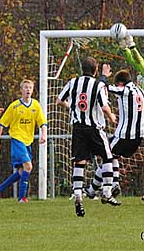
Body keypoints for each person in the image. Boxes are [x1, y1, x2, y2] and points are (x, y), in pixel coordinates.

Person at [56, 57, 118, 217]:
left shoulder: (73, 82)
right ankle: (107, 191)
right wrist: (111, 116)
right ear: (95, 69)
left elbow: (58, 101)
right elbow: (104, 106)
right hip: (95, 128)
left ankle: (78, 193)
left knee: (80, 162)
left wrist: (71, 107)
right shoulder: (98, 85)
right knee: (108, 157)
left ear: (82, 69)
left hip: (78, 128)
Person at [84, 69, 144, 201]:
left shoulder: (125, 90)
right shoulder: (140, 91)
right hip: (138, 136)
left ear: (120, 84)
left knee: (107, 158)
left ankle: (92, 190)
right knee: (113, 156)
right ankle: (114, 183)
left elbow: (103, 86)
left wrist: (104, 76)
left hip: (124, 135)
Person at [0, 79, 47, 203]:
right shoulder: (15, 106)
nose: (28, 90)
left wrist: (44, 135)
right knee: (28, 166)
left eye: (30, 88)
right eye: (25, 87)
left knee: (22, 172)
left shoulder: (35, 105)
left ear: (32, 90)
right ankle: (22, 198)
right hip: (17, 140)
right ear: (21, 90)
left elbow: (42, 122)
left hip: (28, 141)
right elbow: (1, 124)